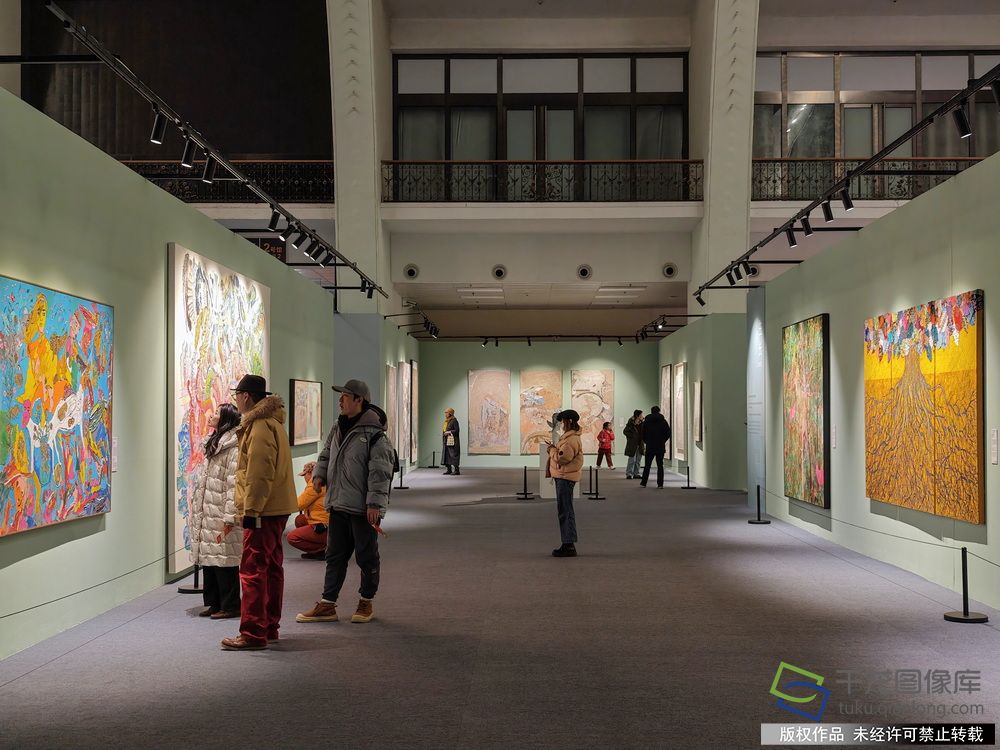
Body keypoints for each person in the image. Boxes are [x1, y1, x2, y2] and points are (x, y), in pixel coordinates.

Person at [297, 379, 394, 625]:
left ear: (359, 400)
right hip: (337, 503)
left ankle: (366, 601)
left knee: (366, 556)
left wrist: (374, 504)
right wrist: (319, 476)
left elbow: (380, 473)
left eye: (345, 396)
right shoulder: (338, 426)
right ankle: (327, 604)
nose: (340, 400)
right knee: (334, 556)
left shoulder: (375, 435)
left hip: (362, 508)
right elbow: (326, 454)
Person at [221, 375, 298, 652]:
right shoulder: (271, 423)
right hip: (274, 508)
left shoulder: (260, 426)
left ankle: (253, 632)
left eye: (237, 395)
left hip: (263, 510)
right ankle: (268, 627)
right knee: (271, 567)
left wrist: (251, 510)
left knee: (253, 569)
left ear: (246, 396)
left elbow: (258, 473)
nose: (236, 401)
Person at [190, 403, 243, 620]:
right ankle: (214, 603)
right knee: (210, 559)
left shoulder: (233, 448)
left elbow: (233, 484)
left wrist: (230, 516)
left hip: (221, 512)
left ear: (225, 420)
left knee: (225, 560)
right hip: (209, 511)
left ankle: (231, 605)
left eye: (217, 413)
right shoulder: (215, 443)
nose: (211, 415)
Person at [547, 409, 583, 558]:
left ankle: (568, 545)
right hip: (564, 476)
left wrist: (551, 450)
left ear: (568, 422)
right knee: (565, 510)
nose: (561, 424)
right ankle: (568, 543)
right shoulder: (570, 438)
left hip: (564, 478)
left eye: (562, 421)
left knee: (565, 511)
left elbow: (562, 458)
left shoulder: (570, 440)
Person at [286, 461, 328, 560]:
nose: (304, 478)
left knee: (292, 537)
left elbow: (299, 505)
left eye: (304, 475)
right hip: (327, 522)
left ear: (310, 473)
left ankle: (322, 549)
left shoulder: (314, 484)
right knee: (300, 519)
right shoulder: (324, 481)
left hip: (323, 525)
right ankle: (319, 548)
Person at [639, 405, 671, 489]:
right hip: (660, 446)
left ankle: (644, 483)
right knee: (660, 465)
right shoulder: (663, 421)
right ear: (659, 411)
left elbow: (643, 433)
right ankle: (660, 484)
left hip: (650, 446)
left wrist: (647, 441)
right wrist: (663, 441)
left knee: (647, 465)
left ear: (651, 411)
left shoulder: (647, 421)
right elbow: (668, 433)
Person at [623, 410, 644, 479]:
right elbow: (625, 431)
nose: (642, 416)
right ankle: (629, 474)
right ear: (637, 416)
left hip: (640, 444)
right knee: (632, 460)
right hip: (632, 444)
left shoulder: (642, 423)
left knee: (638, 460)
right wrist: (632, 436)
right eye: (641, 415)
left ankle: (636, 473)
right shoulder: (630, 423)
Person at [442, 407, 461, 475]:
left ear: (450, 413)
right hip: (446, 441)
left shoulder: (454, 421)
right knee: (447, 455)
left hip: (453, 442)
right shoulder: (447, 421)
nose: (445, 414)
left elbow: (457, 430)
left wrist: (449, 432)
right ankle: (449, 469)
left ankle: (456, 470)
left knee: (453, 455)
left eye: (446, 412)